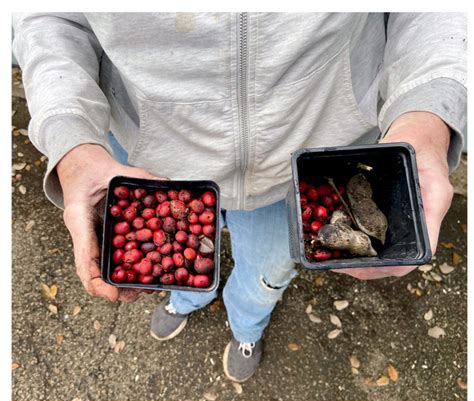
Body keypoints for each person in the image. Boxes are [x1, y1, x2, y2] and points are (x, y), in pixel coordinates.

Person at [13, 13, 467, 382]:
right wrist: (71, 136)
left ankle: (246, 326)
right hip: (155, 163)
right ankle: (185, 298)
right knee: (183, 263)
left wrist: (427, 113)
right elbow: (49, 16)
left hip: (302, 163)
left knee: (268, 272)